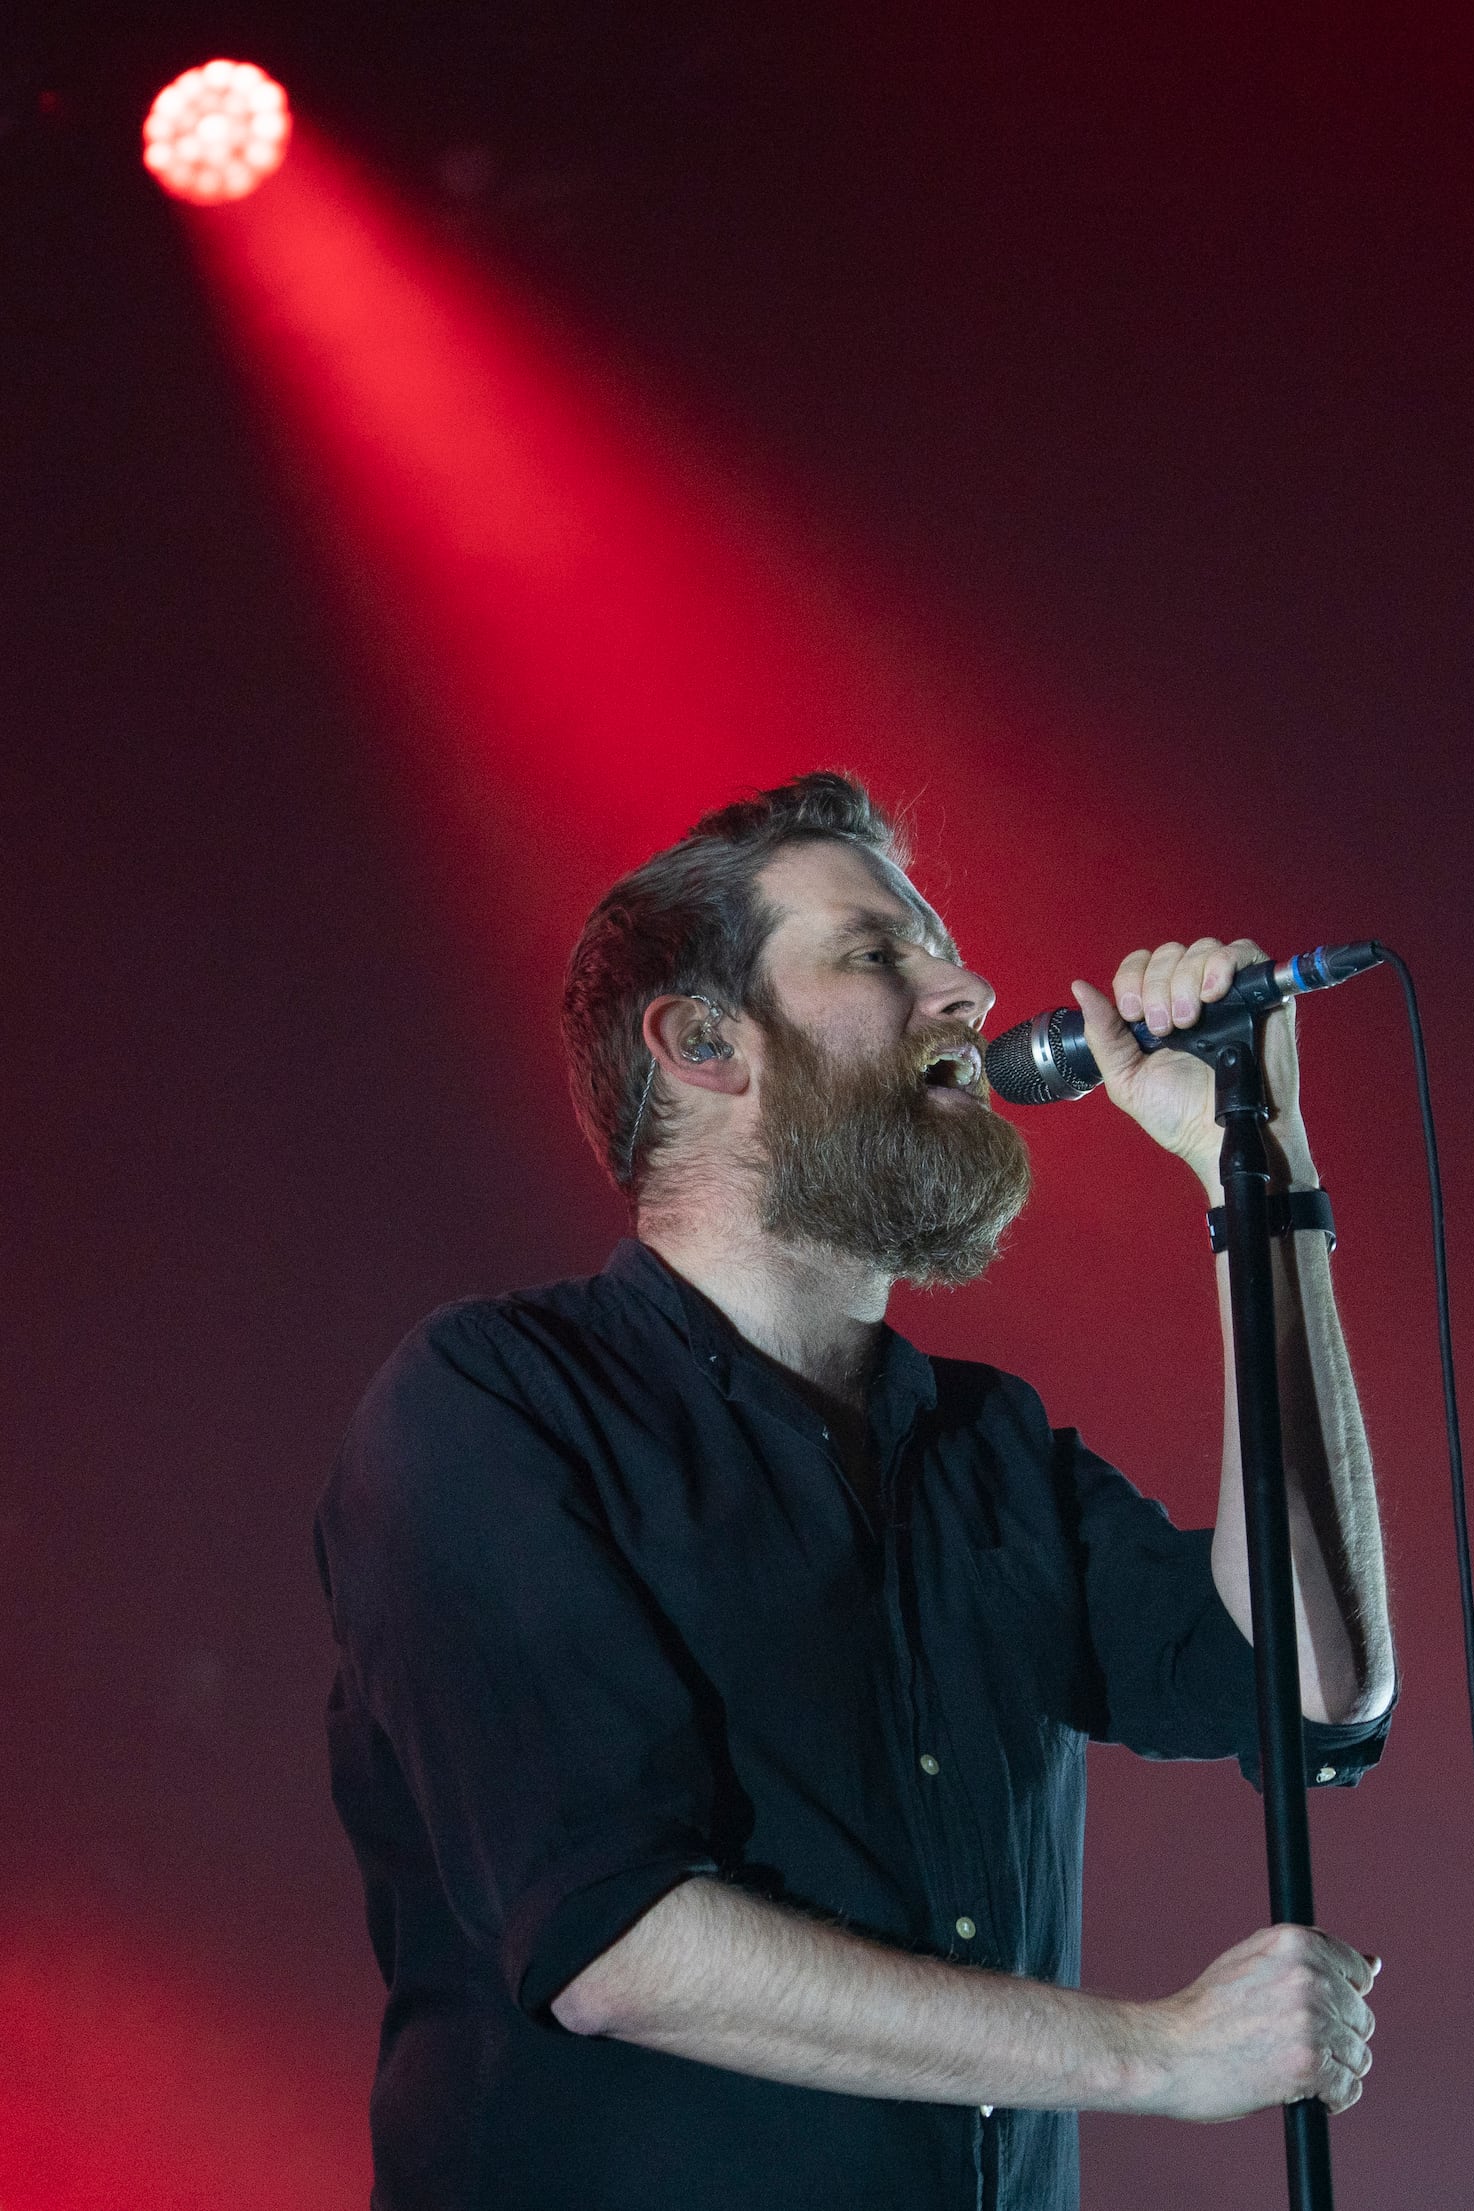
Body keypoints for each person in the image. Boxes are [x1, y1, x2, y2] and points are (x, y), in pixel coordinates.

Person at [316, 771, 1394, 2211]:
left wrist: (1258, 1171)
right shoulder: (493, 1406)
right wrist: (1154, 2055)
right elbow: (619, 1945)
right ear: (706, 1043)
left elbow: (1315, 1685)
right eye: (878, 953)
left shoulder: (987, 1447)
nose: (967, 988)